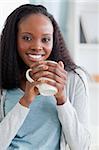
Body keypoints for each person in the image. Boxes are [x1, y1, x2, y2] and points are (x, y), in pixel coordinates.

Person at [0, 4, 91, 150]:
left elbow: (81, 146)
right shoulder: (3, 78)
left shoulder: (74, 79)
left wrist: (62, 98)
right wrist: (25, 101)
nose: (37, 46)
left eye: (45, 39)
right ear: (14, 39)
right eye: (27, 38)